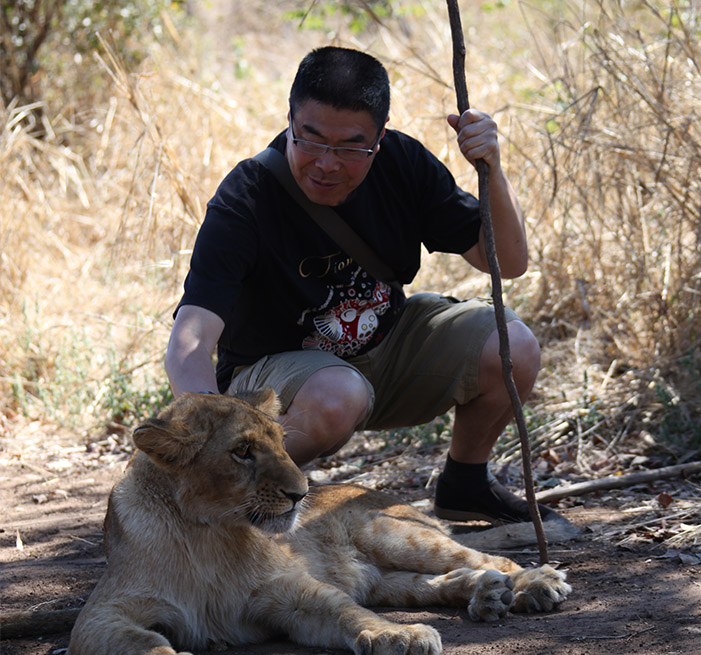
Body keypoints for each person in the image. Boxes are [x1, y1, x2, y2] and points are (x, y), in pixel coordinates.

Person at [165, 45, 560, 524]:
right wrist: (212, 435)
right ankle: (242, 503)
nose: (327, 163)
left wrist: (492, 167)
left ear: (380, 137)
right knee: (338, 395)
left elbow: (508, 261)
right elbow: (190, 340)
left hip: (384, 349)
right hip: (284, 384)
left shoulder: (403, 164)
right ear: (289, 121)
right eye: (309, 140)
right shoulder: (245, 198)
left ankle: (466, 483)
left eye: (352, 148)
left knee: (513, 345)